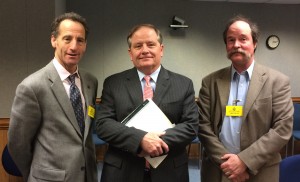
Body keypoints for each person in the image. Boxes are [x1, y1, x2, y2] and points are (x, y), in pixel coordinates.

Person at [95, 24, 199, 182]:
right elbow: (103, 124)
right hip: (122, 171)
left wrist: (156, 143)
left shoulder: (183, 84)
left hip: (169, 171)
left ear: (161, 49)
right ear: (130, 53)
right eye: (138, 46)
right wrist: (140, 140)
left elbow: (191, 125)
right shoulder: (113, 83)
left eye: (151, 44)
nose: (145, 50)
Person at [198, 15, 293, 182]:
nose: (236, 45)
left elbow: (282, 128)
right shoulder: (210, 82)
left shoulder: (278, 82)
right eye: (231, 40)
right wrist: (228, 163)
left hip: (260, 171)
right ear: (226, 45)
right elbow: (203, 126)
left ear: (254, 43)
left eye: (243, 39)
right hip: (218, 169)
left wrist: (244, 161)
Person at [8, 12, 98, 182]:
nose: (74, 46)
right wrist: (35, 175)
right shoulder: (32, 86)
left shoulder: (90, 82)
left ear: (85, 44)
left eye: (80, 40)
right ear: (53, 40)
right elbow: (18, 144)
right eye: (67, 38)